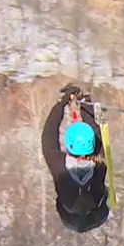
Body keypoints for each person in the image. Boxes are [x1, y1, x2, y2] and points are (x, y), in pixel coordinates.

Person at [41, 84, 110, 233]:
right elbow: (98, 132)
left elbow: (49, 134)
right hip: (78, 211)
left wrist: (62, 104)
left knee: (90, 201)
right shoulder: (59, 165)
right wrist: (85, 105)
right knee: (83, 200)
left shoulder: (98, 163)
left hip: (83, 212)